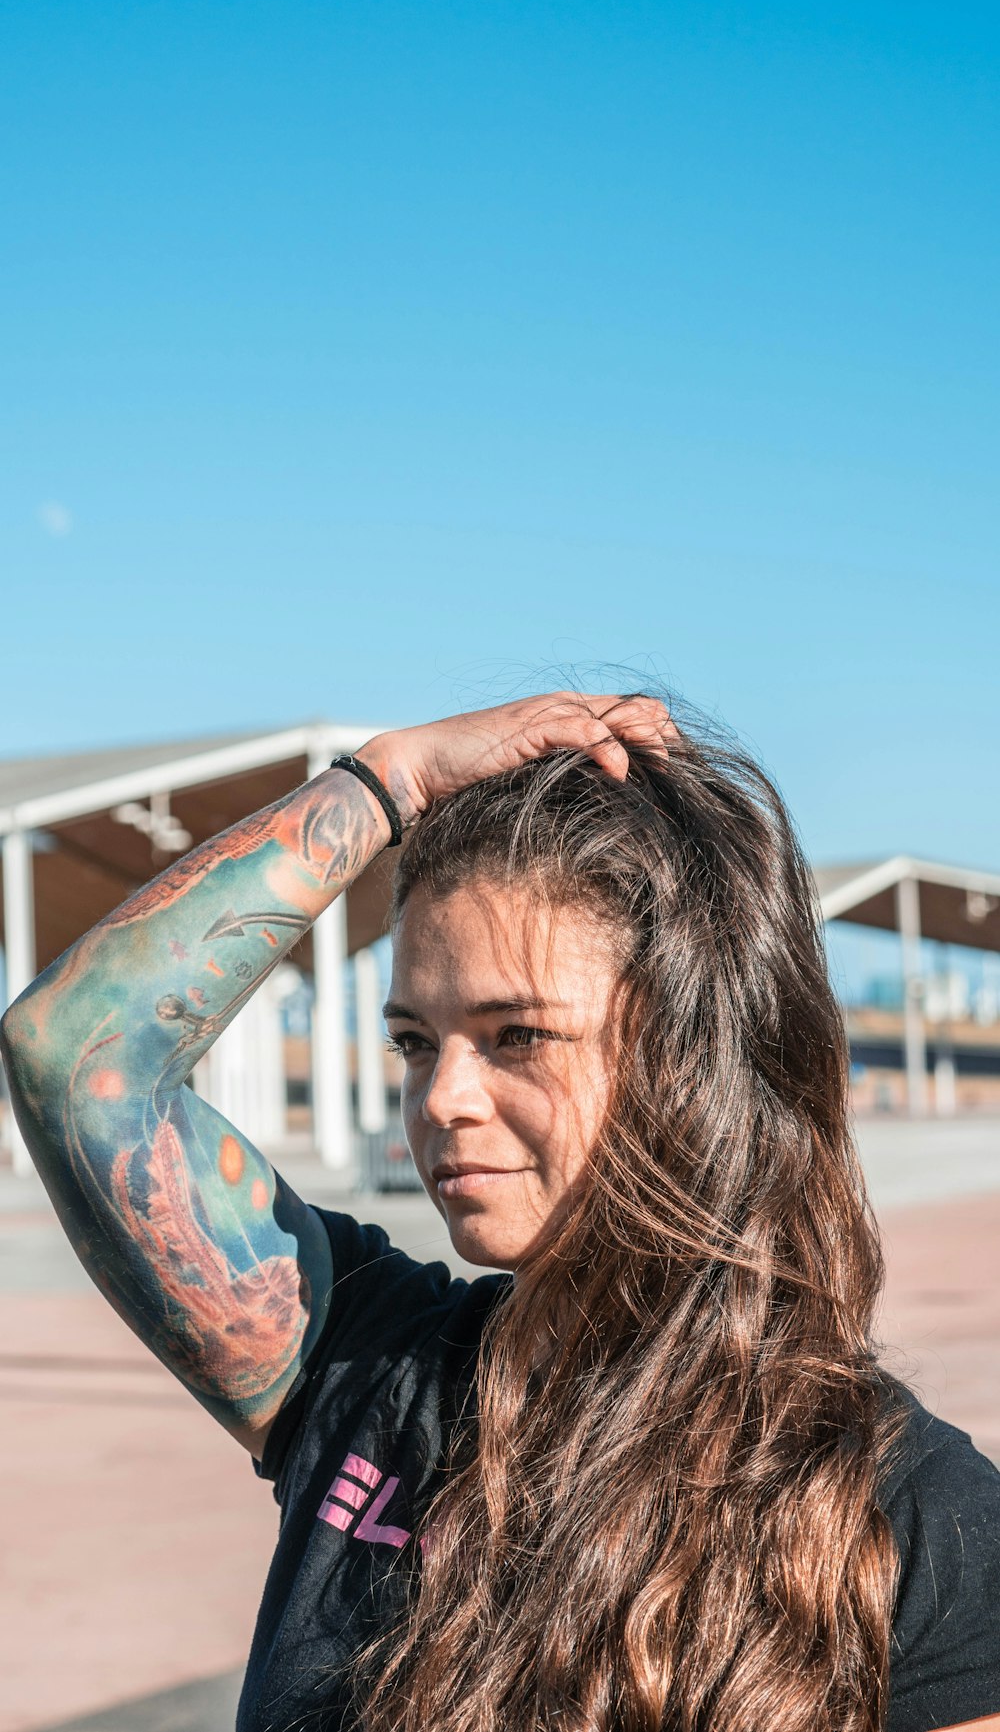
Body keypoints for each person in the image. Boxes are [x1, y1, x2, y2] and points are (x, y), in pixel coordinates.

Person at [2, 692, 998, 1732]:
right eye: (414, 1041)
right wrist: (388, 779)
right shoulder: (365, 1362)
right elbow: (75, 1061)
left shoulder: (913, 1515)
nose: (439, 1098)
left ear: (691, 1059)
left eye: (515, 1033)